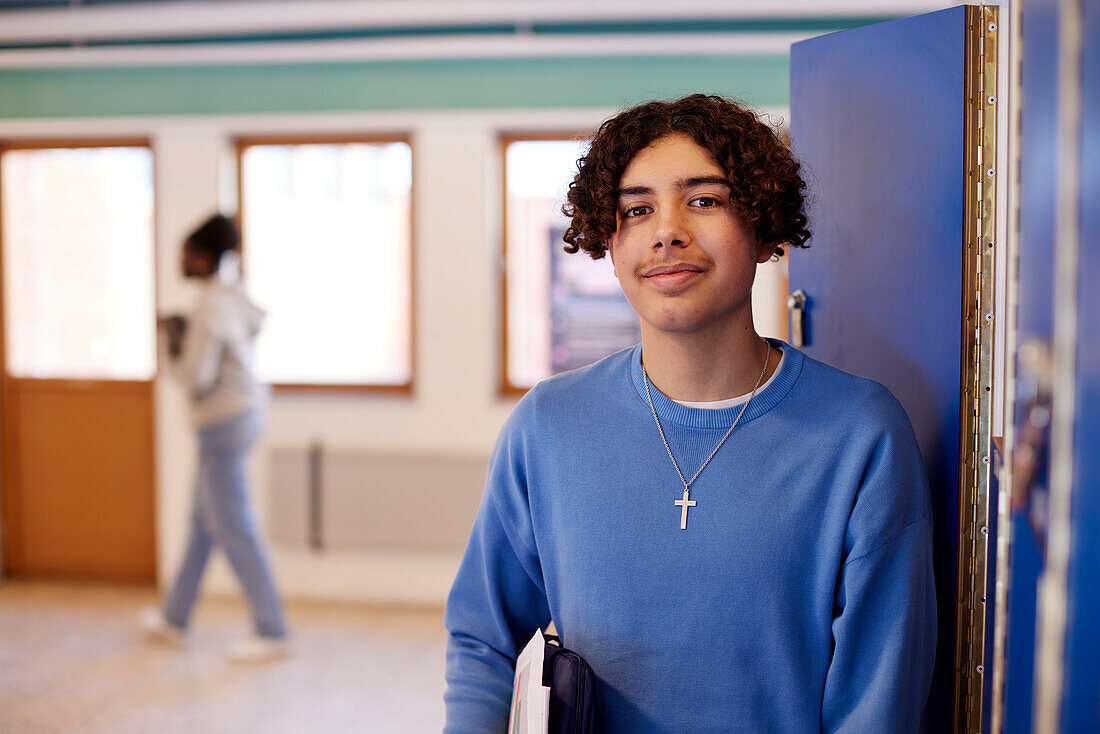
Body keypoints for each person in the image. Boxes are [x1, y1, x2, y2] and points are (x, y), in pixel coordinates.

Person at [443, 95, 936, 732]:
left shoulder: (861, 433)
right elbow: (484, 639)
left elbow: (878, 697)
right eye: (637, 208)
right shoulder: (548, 426)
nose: (666, 230)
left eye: (704, 200)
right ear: (610, 243)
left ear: (762, 228)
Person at [140, 213, 289, 663]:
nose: (180, 261)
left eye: (186, 253)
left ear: (203, 258)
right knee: (202, 525)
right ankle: (175, 617)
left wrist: (171, 342)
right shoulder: (232, 295)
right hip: (242, 416)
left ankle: (271, 629)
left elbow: (196, 377)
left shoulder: (207, 304)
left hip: (222, 425)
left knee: (233, 526)